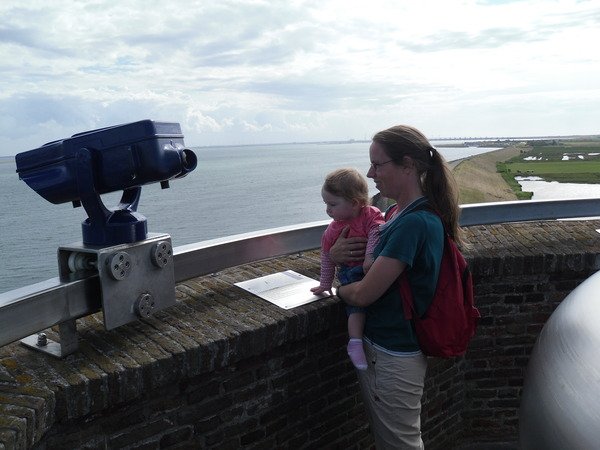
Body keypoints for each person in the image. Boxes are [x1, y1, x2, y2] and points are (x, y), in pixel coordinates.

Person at [334, 125, 461, 449]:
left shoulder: (414, 222)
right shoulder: (395, 213)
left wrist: (339, 290)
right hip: (384, 348)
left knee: (401, 443)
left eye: (378, 164)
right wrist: (336, 255)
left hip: (394, 353)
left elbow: (364, 293)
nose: (370, 173)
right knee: (389, 438)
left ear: (408, 165)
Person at [311, 168, 385, 370]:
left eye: (333, 204)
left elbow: (376, 231)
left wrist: (369, 256)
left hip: (371, 267)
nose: (328, 210)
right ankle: (355, 342)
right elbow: (327, 257)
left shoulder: (370, 215)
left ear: (354, 203)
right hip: (351, 273)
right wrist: (325, 284)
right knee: (356, 309)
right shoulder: (332, 230)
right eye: (327, 204)